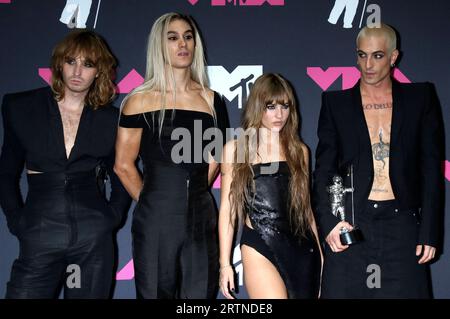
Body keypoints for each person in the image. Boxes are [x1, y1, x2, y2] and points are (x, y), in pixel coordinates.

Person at [313, 23, 445, 298]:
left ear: (394, 57)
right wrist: (329, 223)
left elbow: (431, 169)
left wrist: (429, 232)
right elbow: (324, 170)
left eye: (377, 56)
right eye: (362, 55)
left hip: (403, 225)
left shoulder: (419, 98)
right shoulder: (335, 103)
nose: (368, 65)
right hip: (352, 223)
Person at [0, 30, 131, 299]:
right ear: (60, 63)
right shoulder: (22, 107)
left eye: (88, 64)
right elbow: (6, 172)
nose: (77, 71)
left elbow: (121, 172)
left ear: (99, 71)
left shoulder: (110, 119)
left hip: (92, 240)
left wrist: (112, 217)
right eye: (71, 61)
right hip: (40, 232)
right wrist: (17, 221)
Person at [114, 12, 229, 299]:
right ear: (159, 45)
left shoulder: (212, 100)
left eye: (188, 37)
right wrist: (156, 200)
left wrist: (195, 192)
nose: (183, 44)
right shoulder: (138, 101)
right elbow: (123, 165)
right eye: (173, 37)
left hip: (201, 216)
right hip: (155, 220)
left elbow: (217, 158)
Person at [218, 73, 322, 299]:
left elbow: (306, 209)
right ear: (257, 106)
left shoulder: (299, 151)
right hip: (259, 244)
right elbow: (228, 210)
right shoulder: (235, 150)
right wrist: (225, 263)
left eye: (285, 106)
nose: (279, 114)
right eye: (271, 106)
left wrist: (321, 258)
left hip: (302, 248)